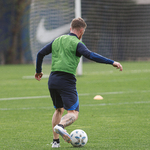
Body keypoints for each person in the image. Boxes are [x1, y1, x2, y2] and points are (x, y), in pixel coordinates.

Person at [35, 17, 123, 148]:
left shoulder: (58, 40)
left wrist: (38, 71)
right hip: (66, 81)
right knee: (73, 113)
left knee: (59, 110)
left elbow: (40, 53)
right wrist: (112, 62)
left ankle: (55, 142)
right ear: (81, 31)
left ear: (71, 28)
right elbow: (91, 55)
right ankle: (60, 126)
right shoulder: (77, 43)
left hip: (52, 80)